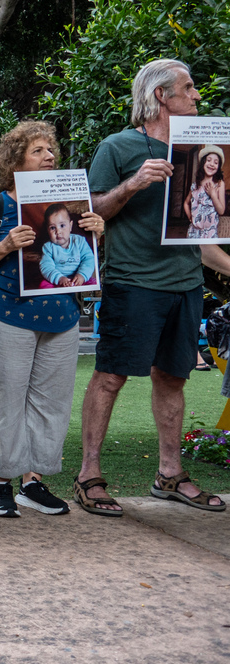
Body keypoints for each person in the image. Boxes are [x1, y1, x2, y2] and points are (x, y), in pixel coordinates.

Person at [76, 58, 229, 515]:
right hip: (133, 283)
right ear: (161, 96)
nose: (197, 95)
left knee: (174, 378)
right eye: (189, 87)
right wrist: (133, 183)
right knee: (110, 376)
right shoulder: (118, 146)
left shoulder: (203, 151)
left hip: (184, 286)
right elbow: (93, 213)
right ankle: (89, 476)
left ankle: (169, 474)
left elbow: (203, 234)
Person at [0, 121, 104, 517]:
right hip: (8, 314)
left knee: (51, 404)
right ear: (15, 160)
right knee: (7, 401)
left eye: (51, 150)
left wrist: (96, 230)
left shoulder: (72, 207)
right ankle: (0, 486)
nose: (49, 156)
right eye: (38, 150)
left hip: (62, 317)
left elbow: (83, 259)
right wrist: (6, 245)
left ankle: (33, 483)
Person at [37, 204, 97, 288]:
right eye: (52, 228)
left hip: (79, 278)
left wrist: (82, 275)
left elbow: (89, 259)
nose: (58, 231)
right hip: (57, 280)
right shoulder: (48, 247)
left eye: (62, 226)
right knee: (43, 285)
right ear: (48, 230)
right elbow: (46, 267)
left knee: (94, 283)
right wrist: (59, 278)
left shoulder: (80, 241)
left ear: (70, 226)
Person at [184, 145, 225, 239]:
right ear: (203, 162)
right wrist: (190, 217)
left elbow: (221, 211)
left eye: (216, 162)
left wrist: (213, 195)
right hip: (193, 232)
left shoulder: (219, 184)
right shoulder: (195, 185)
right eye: (209, 160)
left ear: (218, 167)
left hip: (210, 233)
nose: (211, 164)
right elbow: (186, 203)